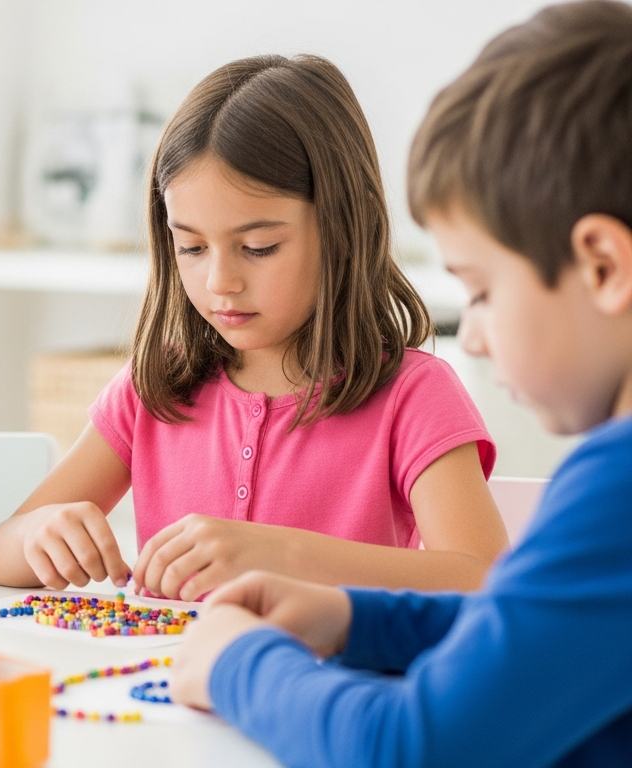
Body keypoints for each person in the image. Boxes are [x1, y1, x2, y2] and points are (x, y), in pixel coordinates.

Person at [170, 3, 632, 765]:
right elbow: (526, 629)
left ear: (603, 268)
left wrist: (236, 664)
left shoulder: (617, 492)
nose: (474, 335)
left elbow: (408, 746)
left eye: (481, 290)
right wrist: (356, 618)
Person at [0, 53, 508, 598]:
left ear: (345, 226)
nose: (220, 281)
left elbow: (483, 582)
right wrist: (42, 535)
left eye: (258, 248)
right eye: (191, 247)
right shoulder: (155, 386)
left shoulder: (412, 396)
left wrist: (283, 553)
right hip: (163, 682)